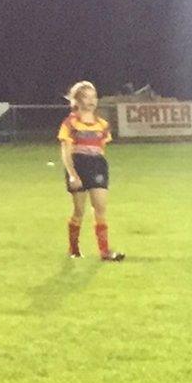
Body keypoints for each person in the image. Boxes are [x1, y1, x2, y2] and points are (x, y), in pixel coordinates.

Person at [57, 81, 124, 261]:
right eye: (86, 97)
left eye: (93, 96)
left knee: (100, 207)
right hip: (78, 165)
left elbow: (101, 148)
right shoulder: (70, 122)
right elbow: (66, 150)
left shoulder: (102, 124)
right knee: (79, 211)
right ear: (77, 100)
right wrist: (72, 174)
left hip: (97, 165)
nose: (91, 100)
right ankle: (74, 249)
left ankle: (105, 251)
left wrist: (98, 163)